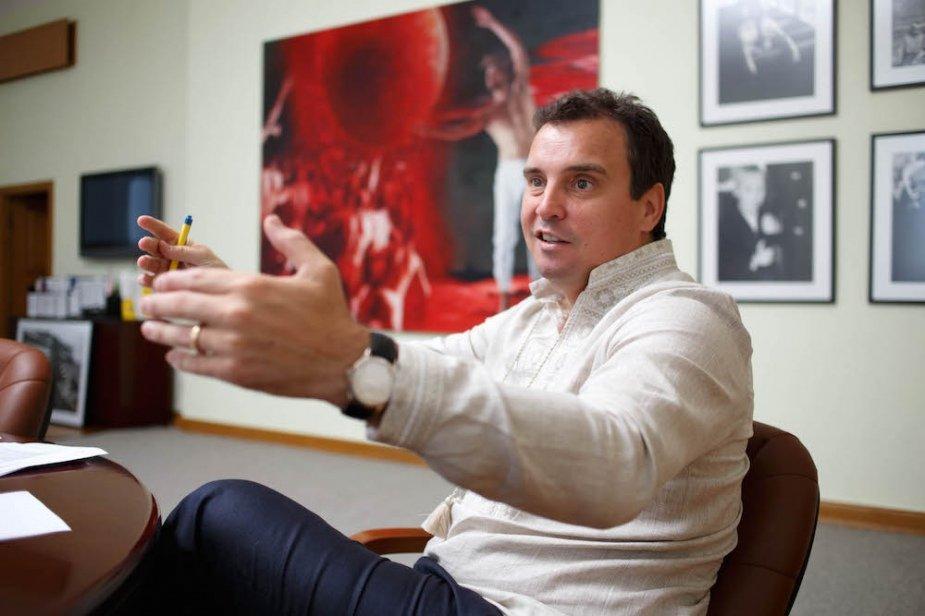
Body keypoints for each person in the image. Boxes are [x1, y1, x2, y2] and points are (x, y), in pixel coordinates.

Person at [133, 88, 753, 615]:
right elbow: (416, 367)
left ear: (649, 206)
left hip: (520, 609)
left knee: (219, 514)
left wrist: (347, 361)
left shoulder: (688, 317)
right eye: (536, 181)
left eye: (581, 182)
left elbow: (617, 466)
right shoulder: (537, 316)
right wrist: (249, 299)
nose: (546, 206)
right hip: (449, 584)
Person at [425, 5, 538, 310]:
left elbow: (517, 52)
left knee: (536, 231)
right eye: (487, 74)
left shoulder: (520, 90)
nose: (490, 77)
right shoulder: (489, 112)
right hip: (508, 170)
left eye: (493, 71)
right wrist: (427, 132)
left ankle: (539, 291)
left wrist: (492, 24)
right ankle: (503, 293)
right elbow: (460, 129)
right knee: (504, 234)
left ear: (502, 72)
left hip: (533, 171)